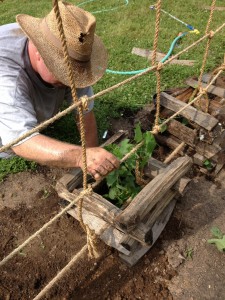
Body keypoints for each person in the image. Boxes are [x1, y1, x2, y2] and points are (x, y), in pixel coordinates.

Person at [0, 1, 120, 180]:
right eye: (62, 72)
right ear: (40, 53)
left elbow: (83, 108)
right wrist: (81, 157)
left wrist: (92, 154)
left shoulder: (68, 45)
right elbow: (20, 141)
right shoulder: (9, 77)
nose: (71, 81)